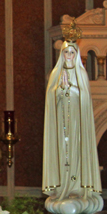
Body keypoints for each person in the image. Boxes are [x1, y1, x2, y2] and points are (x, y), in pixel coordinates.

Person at [42, 20, 103, 212]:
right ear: (62, 54)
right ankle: (62, 187)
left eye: (72, 52)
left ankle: (77, 188)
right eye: (66, 52)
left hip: (77, 126)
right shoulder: (56, 74)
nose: (69, 55)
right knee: (63, 154)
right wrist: (60, 90)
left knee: (77, 153)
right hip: (61, 126)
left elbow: (85, 101)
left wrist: (72, 89)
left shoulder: (81, 75)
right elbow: (50, 101)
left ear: (76, 55)